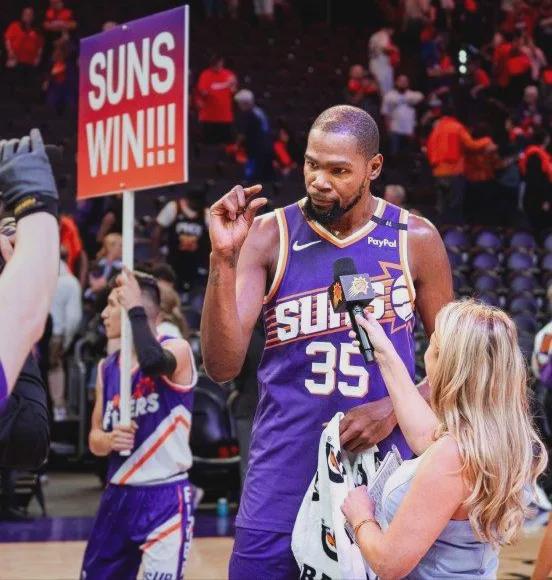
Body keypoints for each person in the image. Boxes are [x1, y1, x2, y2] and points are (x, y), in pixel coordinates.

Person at [201, 105, 453, 577]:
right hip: (282, 469)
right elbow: (221, 366)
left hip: (379, 474)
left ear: (373, 168)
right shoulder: (267, 234)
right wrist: (223, 260)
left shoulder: (415, 239)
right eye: (311, 164)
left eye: (338, 171)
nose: (319, 181)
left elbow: (456, 371)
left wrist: (392, 409)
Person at [341, 300, 546, 578]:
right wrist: (385, 353)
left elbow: (389, 563)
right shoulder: (501, 438)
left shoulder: (453, 456)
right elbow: (425, 436)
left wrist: (360, 516)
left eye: (434, 346)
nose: (427, 353)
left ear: (450, 365)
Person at [81, 269, 197, 579]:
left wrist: (134, 309)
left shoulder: (177, 349)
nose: (103, 314)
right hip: (117, 495)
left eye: (112, 305)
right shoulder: (107, 368)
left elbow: (153, 362)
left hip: (164, 496)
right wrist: (109, 440)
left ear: (136, 309)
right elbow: (93, 438)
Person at [426, 103, 496, 224]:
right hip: (454, 172)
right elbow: (471, 145)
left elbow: (429, 150)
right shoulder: (457, 127)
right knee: (455, 205)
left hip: (438, 172)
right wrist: (486, 140)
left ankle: (441, 230)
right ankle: (454, 230)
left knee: (442, 207)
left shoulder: (436, 129)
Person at [49, 246, 82, 421]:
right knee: (55, 367)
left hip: (33, 334)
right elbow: (74, 318)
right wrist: (66, 343)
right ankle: (58, 409)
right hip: (56, 334)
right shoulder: (70, 282)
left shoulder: (35, 276)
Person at [153, 190, 209, 292]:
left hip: (195, 260)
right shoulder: (174, 207)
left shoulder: (205, 212)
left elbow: (214, 237)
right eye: (196, 201)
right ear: (189, 199)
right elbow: (157, 232)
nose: (198, 204)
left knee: (193, 288)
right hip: (173, 257)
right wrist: (156, 256)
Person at [196, 55, 237, 145]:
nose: (219, 65)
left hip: (225, 117)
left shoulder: (229, 74)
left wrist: (232, 85)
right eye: (216, 64)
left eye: (220, 63)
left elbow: (233, 90)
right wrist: (225, 85)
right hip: (208, 118)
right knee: (209, 144)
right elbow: (203, 92)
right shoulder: (205, 75)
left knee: (225, 145)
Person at [234, 89, 273, 182]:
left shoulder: (249, 114)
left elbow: (242, 134)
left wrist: (236, 145)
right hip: (267, 145)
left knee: (252, 176)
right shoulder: (259, 111)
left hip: (256, 147)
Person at [380, 74, 424, 156]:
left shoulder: (413, 95)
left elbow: (421, 98)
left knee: (409, 155)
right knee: (394, 154)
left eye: (405, 81)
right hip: (395, 129)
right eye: (401, 81)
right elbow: (385, 113)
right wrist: (388, 129)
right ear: (396, 82)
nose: (403, 83)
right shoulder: (389, 96)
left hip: (409, 130)